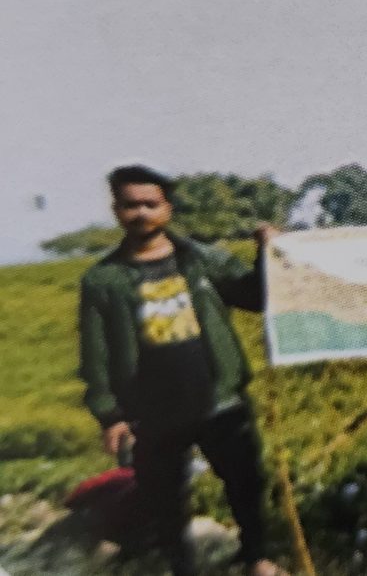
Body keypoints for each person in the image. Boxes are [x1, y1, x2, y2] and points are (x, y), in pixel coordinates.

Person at [77, 165, 288, 576]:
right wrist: (110, 414)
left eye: (150, 204)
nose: (141, 212)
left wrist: (268, 253)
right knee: (165, 500)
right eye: (130, 204)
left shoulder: (202, 260)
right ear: (117, 210)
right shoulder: (102, 280)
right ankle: (181, 569)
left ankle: (255, 558)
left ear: (167, 209)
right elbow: (95, 351)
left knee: (246, 482)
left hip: (220, 398)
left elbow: (257, 296)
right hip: (152, 411)